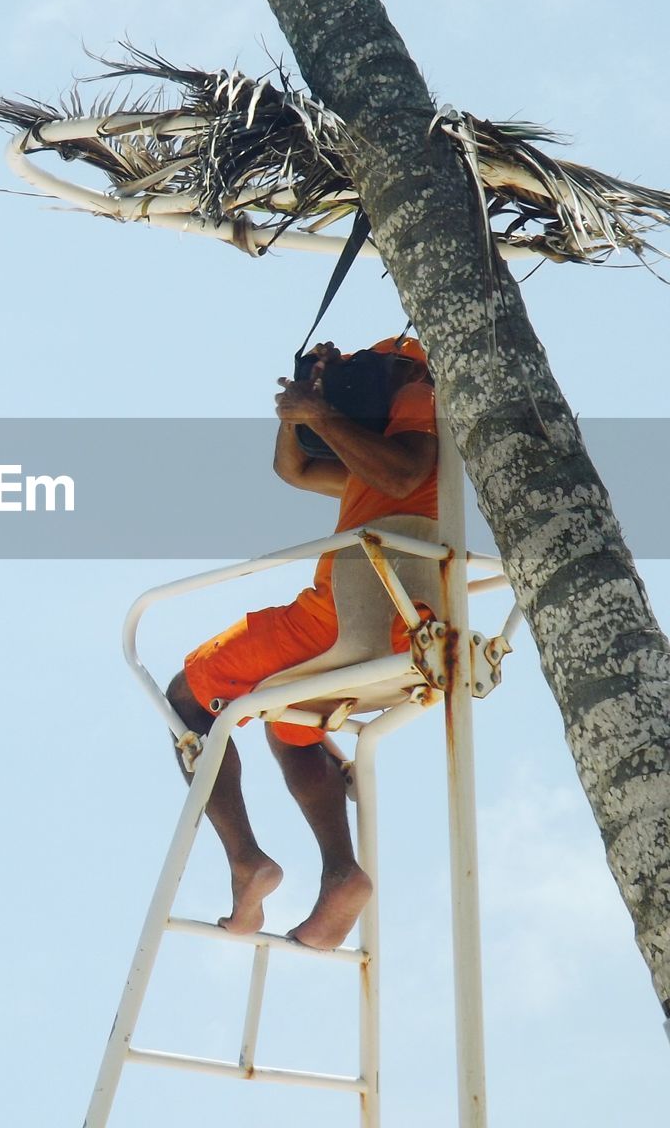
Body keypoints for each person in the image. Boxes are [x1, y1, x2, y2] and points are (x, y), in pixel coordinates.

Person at [165, 336, 438, 950]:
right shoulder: (384, 449)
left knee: (186, 699)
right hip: (411, 629)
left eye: (364, 370)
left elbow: (403, 475)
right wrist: (304, 408)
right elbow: (295, 470)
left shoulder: (421, 396)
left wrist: (325, 413)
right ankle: (341, 873)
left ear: (396, 371)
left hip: (346, 617)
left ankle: (244, 860)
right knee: (293, 723)